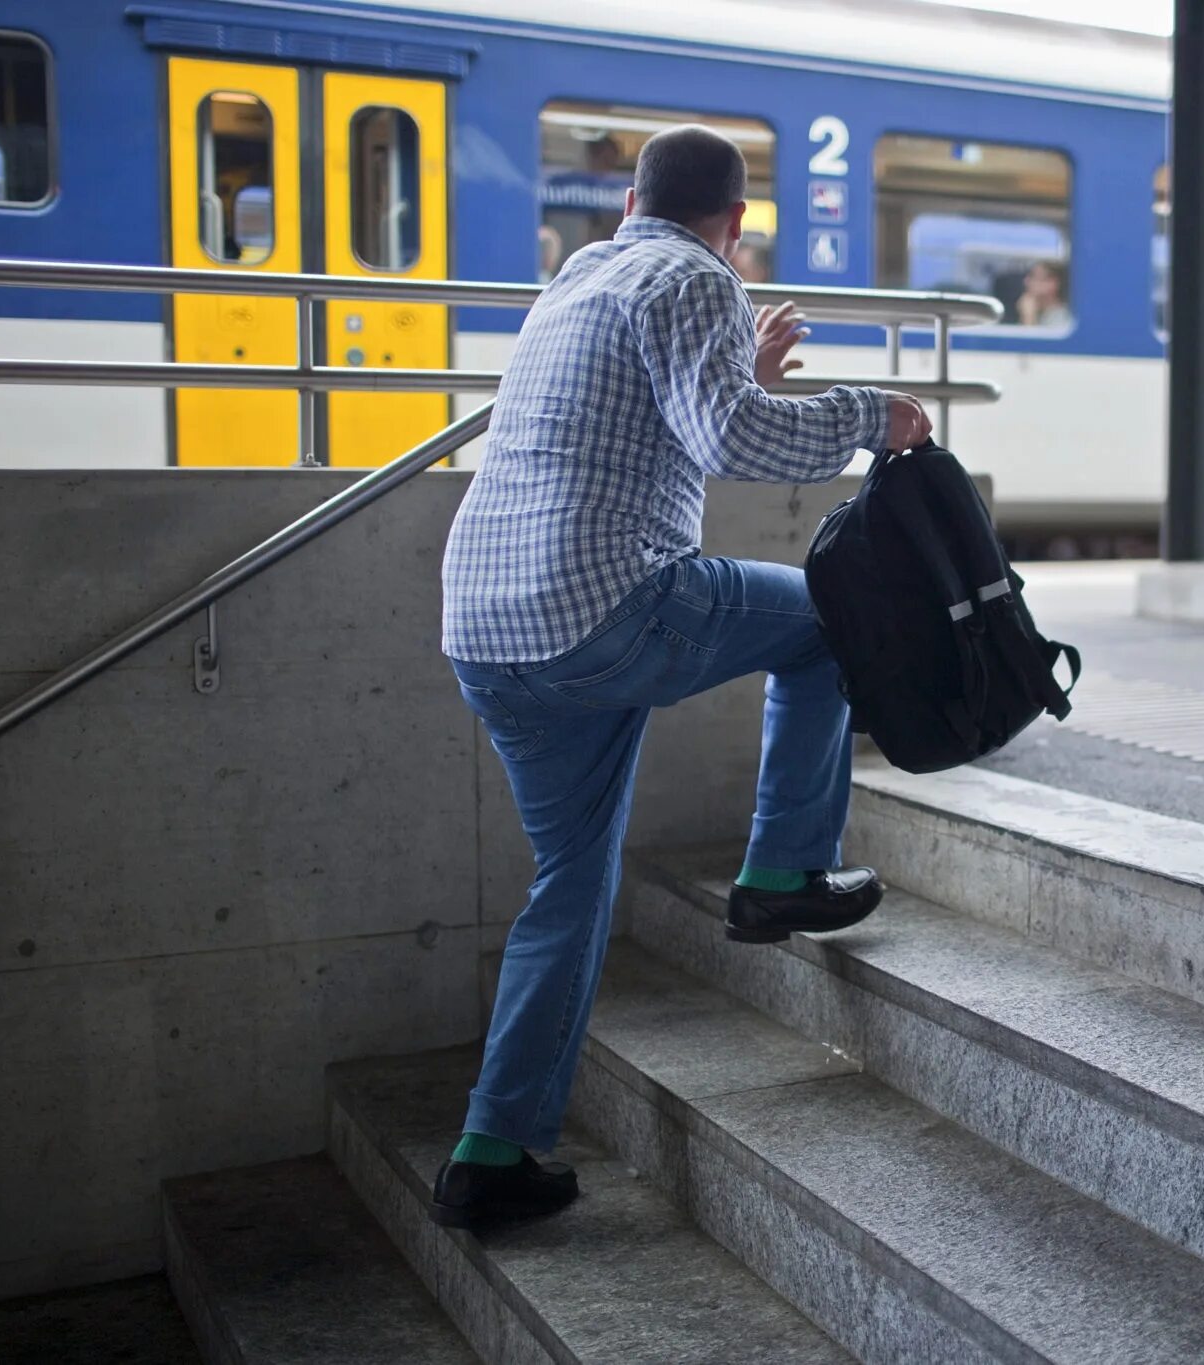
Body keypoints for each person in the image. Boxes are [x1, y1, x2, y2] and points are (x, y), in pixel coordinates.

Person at [432, 124, 932, 1227]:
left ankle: (491, 1149)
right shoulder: (698, 273)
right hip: (607, 606)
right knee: (827, 624)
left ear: (626, 202)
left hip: (488, 627)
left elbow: (656, 417)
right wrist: (874, 416)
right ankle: (784, 871)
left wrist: (740, 373)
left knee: (568, 886)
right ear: (736, 221)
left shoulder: (583, 276)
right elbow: (730, 441)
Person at [1015, 259, 1072, 329]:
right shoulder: (1036, 310)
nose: (1026, 281)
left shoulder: (1062, 318)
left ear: (1052, 283)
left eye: (1033, 276)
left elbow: (1030, 339)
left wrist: (1028, 318)